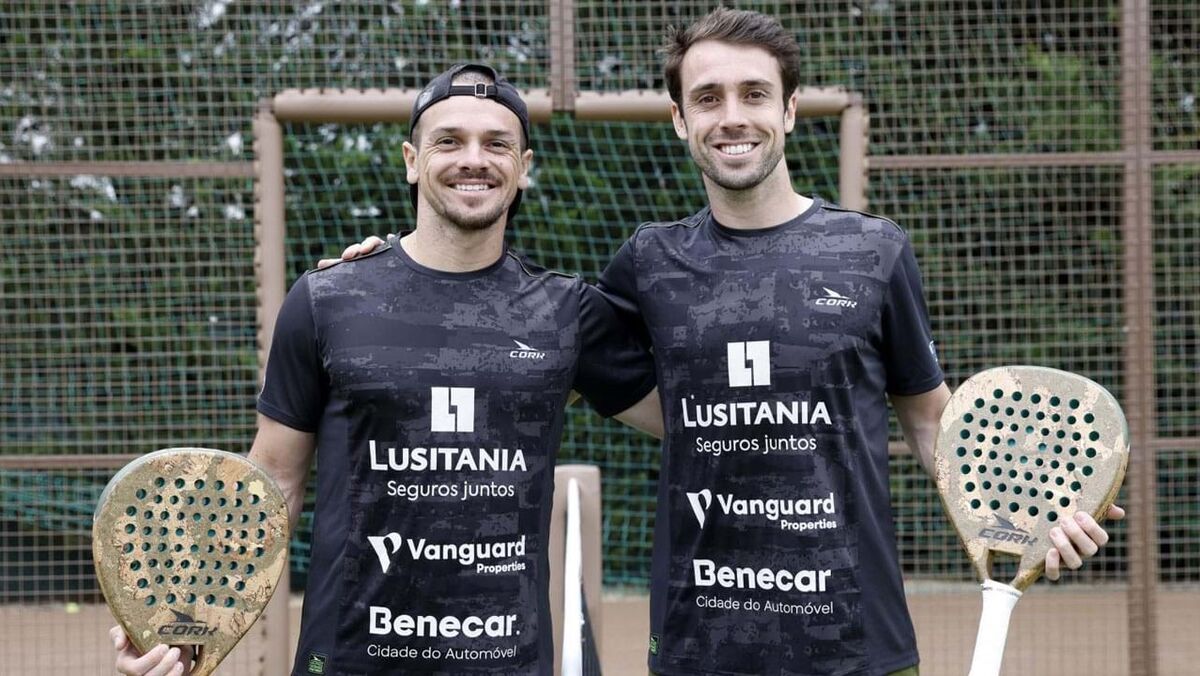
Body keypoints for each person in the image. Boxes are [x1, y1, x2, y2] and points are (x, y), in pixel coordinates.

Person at [331, 10, 1124, 675]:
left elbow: (930, 422)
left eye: (754, 94)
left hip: (857, 643)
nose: (732, 116)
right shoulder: (648, 262)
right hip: (698, 647)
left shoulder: (874, 251)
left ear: (789, 110)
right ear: (681, 119)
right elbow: (514, 330)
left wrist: (1023, 509)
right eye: (708, 98)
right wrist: (395, 275)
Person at [111, 63, 661, 676]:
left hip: (505, 661)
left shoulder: (566, 311)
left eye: (496, 144)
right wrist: (189, 624)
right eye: (449, 141)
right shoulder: (327, 297)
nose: (473, 159)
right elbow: (273, 484)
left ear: (524, 166)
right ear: (411, 160)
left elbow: (700, 418)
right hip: (351, 659)